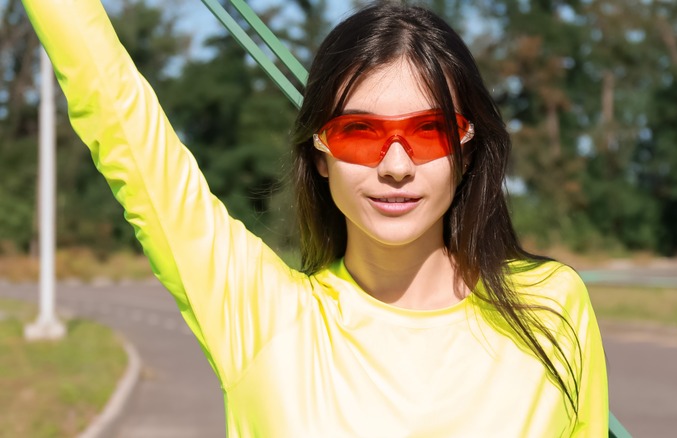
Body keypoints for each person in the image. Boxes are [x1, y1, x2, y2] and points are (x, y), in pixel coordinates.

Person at [23, 0, 608, 436]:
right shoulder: (259, 315)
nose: (396, 165)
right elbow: (117, 115)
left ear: (468, 145)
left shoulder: (551, 306)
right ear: (321, 156)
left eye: (428, 131)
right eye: (360, 132)